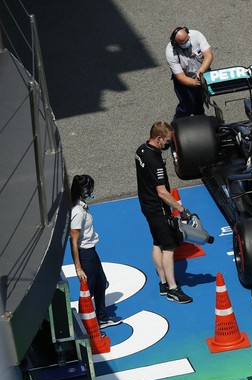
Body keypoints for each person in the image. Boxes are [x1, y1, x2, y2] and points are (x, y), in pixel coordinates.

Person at [135, 121, 193, 304]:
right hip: (157, 208)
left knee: (157, 242)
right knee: (169, 247)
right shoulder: (155, 161)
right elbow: (162, 192)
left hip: (145, 204)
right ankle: (173, 289)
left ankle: (162, 283)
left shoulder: (140, 150)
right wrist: (180, 209)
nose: (169, 144)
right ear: (158, 139)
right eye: (167, 141)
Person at [69, 175, 122, 328]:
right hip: (86, 255)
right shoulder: (78, 212)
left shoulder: (82, 206)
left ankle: (102, 317)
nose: (92, 191)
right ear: (84, 190)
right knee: (88, 290)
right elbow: (73, 241)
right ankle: (84, 326)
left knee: (100, 283)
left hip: (91, 252)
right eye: (90, 188)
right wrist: (78, 268)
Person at [166, 26, 214, 119]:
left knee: (199, 102)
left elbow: (208, 55)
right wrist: (197, 83)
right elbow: (181, 77)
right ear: (176, 43)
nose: (187, 42)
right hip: (185, 79)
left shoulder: (196, 35)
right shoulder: (171, 52)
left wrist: (201, 72)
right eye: (183, 42)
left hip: (201, 73)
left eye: (187, 39)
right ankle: (177, 124)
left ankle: (200, 120)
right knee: (186, 106)